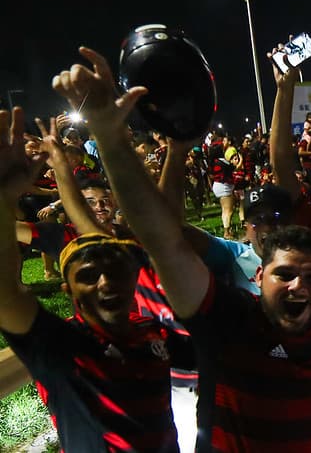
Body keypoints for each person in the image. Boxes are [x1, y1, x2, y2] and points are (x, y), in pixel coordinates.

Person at [53, 46, 311, 452]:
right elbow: (163, 238)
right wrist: (108, 134)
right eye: (284, 274)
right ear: (259, 276)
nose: (299, 286)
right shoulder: (228, 320)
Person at [0, 106, 191, 452]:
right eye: (88, 275)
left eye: (116, 271)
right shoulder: (59, 347)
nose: (105, 282)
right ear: (67, 287)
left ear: (133, 276)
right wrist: (4, 198)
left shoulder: (154, 334)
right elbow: (6, 293)